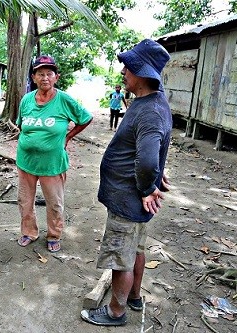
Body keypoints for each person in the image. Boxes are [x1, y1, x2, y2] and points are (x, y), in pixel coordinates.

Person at [81, 39, 172, 326]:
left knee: (121, 256)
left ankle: (115, 312)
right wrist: (157, 172)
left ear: (142, 73)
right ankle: (133, 296)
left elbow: (145, 160)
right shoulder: (151, 103)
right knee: (136, 249)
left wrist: (148, 185)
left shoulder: (149, 110)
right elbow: (150, 149)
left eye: (129, 66)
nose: (123, 70)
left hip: (128, 198)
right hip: (131, 196)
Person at [16, 55, 93, 253]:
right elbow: (20, 125)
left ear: (56, 77)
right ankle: (29, 232)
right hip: (26, 161)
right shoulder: (26, 100)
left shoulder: (63, 99)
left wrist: (68, 137)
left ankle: (54, 234)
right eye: (40, 74)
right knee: (25, 201)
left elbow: (85, 118)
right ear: (33, 77)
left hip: (52, 163)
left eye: (49, 74)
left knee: (54, 203)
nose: (45, 78)